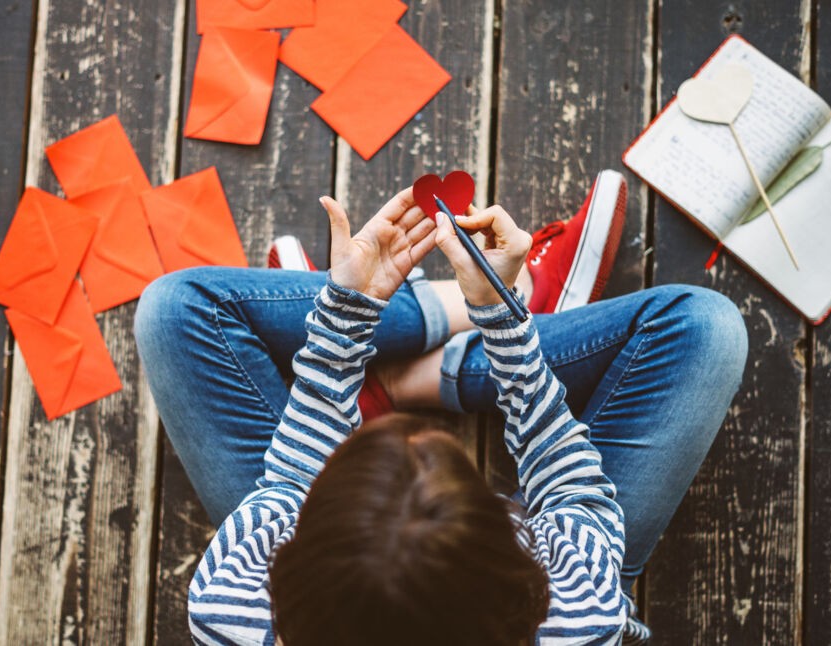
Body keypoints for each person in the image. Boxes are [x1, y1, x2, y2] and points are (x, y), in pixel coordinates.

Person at [134, 178, 748, 645]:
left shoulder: (232, 609)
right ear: (514, 551)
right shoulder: (580, 611)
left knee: (172, 309)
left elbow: (290, 483)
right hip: (554, 547)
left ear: (294, 558)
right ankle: (467, 335)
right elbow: (572, 499)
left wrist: (347, 313)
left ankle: (405, 362)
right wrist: (503, 313)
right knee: (707, 325)